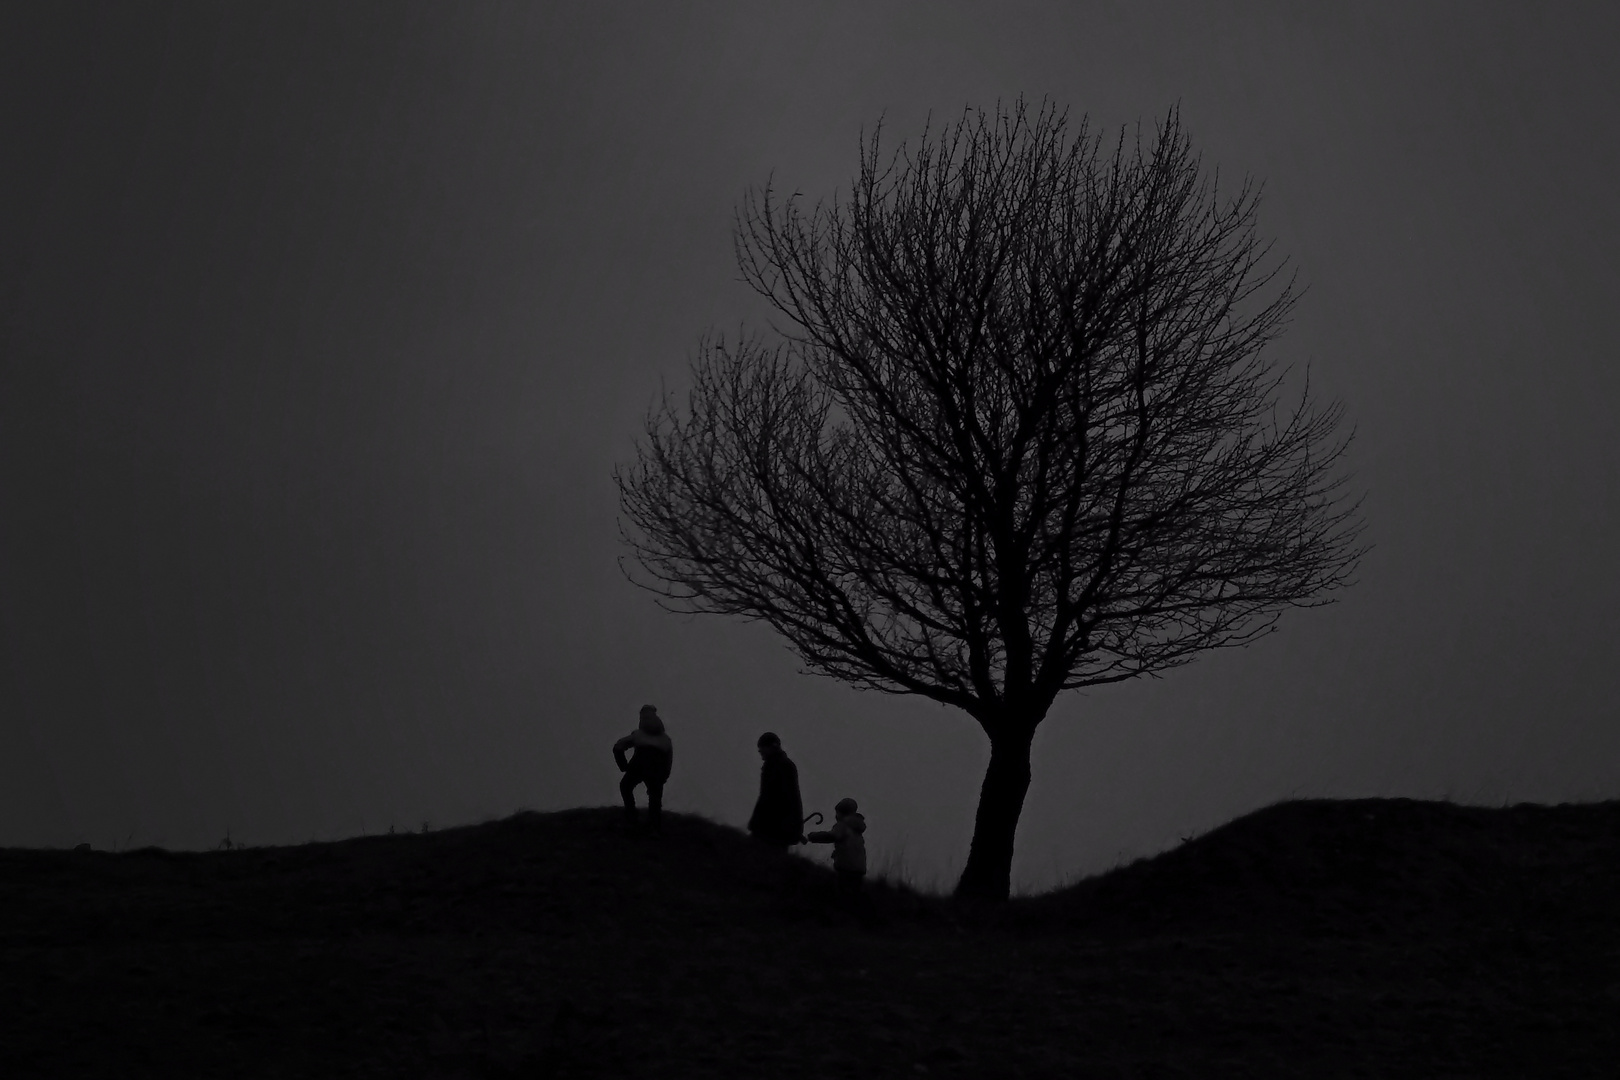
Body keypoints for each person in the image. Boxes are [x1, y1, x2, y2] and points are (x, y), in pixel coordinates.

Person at [613, 705, 673, 832]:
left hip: (639, 763)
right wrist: (664, 777)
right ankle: (654, 826)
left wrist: (623, 765)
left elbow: (618, 747)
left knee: (625, 786)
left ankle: (632, 817)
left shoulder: (638, 734)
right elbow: (668, 761)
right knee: (655, 797)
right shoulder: (666, 739)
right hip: (657, 768)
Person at [746, 731, 804, 849]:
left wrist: (756, 823)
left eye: (762, 748)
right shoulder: (782, 765)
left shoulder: (776, 766)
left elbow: (769, 797)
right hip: (779, 827)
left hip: (772, 827)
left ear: (771, 747)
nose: (760, 752)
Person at [806, 797, 867, 902]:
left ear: (840, 812)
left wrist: (811, 837)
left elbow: (831, 836)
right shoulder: (856, 828)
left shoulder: (843, 825)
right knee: (854, 896)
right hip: (859, 868)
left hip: (846, 866)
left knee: (842, 896)